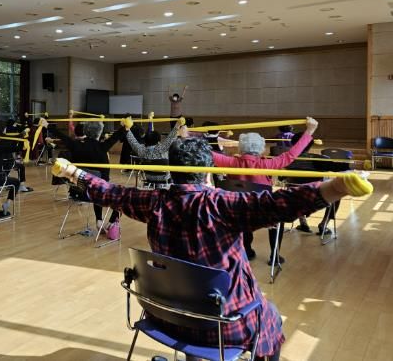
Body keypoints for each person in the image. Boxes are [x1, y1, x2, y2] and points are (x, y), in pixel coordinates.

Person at [52, 137, 370, 361]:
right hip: (225, 326)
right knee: (271, 314)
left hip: (167, 318)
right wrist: (335, 186)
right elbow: (278, 203)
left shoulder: (153, 202)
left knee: (199, 302)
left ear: (172, 169)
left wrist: (72, 172)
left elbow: (110, 192)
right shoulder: (219, 204)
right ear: (207, 171)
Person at [210, 118, 318, 264]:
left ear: (240, 148)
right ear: (261, 149)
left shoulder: (231, 162)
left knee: (244, 210)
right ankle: (274, 255)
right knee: (277, 217)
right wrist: (309, 130)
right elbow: (290, 155)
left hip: (237, 212)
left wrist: (184, 136)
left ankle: (247, 249)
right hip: (263, 212)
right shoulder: (266, 163)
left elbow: (208, 154)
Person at [44, 118, 125, 239]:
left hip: (77, 192)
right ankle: (110, 223)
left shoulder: (75, 145)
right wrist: (125, 127)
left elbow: (62, 136)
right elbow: (116, 136)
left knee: (95, 184)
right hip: (97, 194)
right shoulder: (102, 147)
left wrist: (47, 125)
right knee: (120, 193)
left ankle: (99, 220)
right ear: (99, 132)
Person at [125, 119, 181, 187]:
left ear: (145, 140)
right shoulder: (162, 148)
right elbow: (171, 138)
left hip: (149, 179)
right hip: (165, 179)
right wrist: (178, 124)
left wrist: (127, 128)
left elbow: (132, 141)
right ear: (158, 140)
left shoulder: (141, 150)